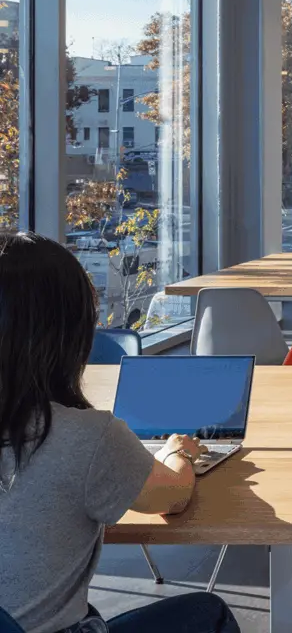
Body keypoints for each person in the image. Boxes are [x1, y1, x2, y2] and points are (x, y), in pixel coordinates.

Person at [0, 231, 241, 633]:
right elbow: (174, 497)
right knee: (207, 613)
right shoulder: (85, 437)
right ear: (67, 335)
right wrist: (175, 453)